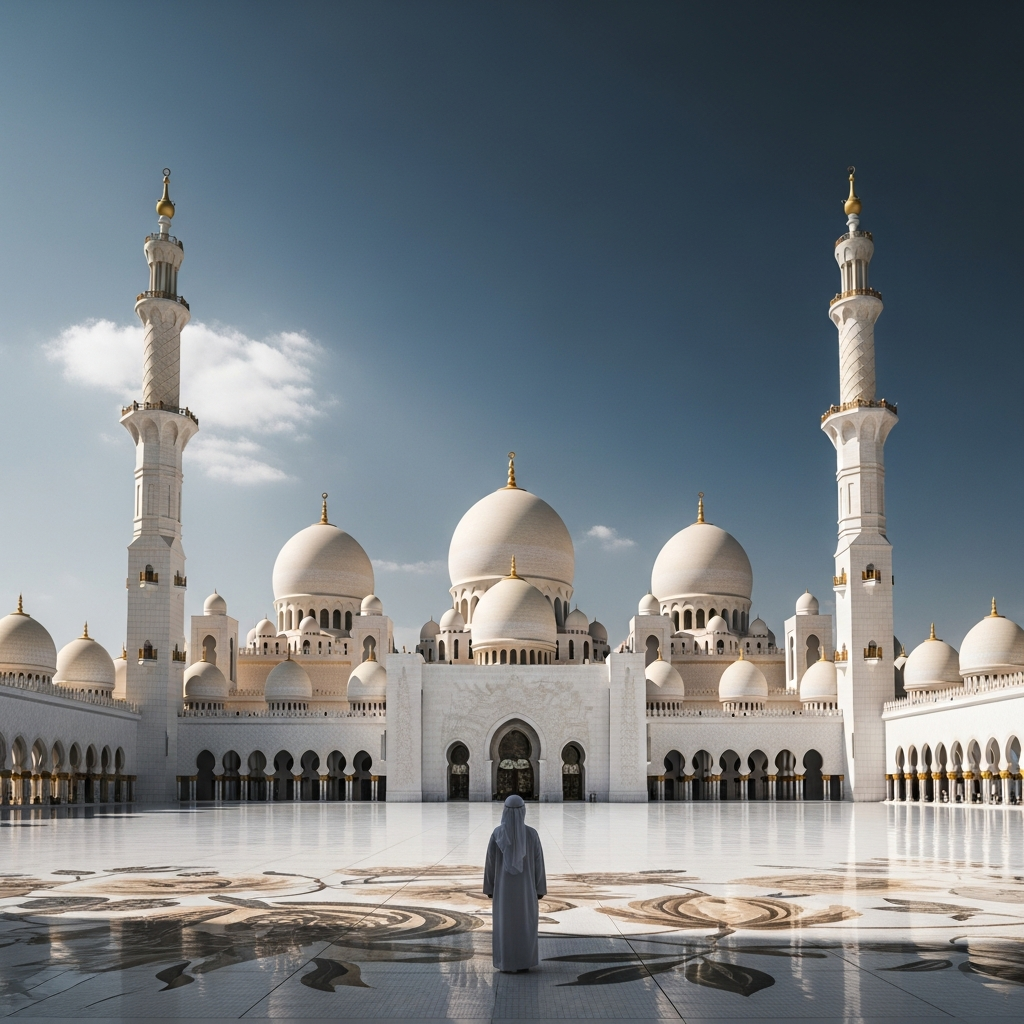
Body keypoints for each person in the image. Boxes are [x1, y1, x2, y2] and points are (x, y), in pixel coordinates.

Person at [483, 794, 547, 972]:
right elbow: (539, 864)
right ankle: (523, 962)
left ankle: (506, 963)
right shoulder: (531, 834)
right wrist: (540, 888)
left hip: (503, 891)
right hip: (526, 891)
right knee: (524, 924)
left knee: (505, 925)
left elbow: (490, 864)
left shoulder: (497, 834)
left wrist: (489, 888)